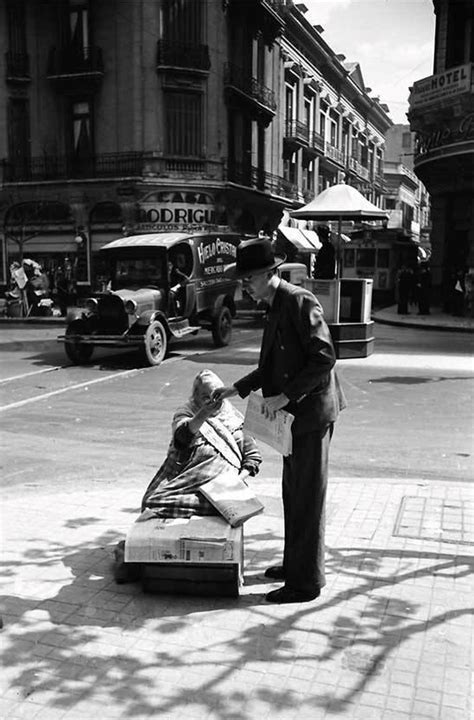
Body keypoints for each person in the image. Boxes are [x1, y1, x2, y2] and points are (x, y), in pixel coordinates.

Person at [213, 237, 346, 604]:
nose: (245, 286)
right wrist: (234, 390)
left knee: (307, 497)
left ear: (270, 273)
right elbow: (270, 366)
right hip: (292, 419)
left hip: (312, 416)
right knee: (293, 493)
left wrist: (286, 396)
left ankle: (306, 583)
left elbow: (324, 358)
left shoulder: (299, 300)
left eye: (250, 279)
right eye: (243, 280)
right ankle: (294, 565)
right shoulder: (273, 305)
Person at [140, 369, 262, 519]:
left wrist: (236, 481)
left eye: (217, 396)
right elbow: (181, 438)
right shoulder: (186, 413)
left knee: (223, 508)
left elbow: (252, 459)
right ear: (195, 397)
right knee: (152, 502)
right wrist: (203, 413)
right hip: (185, 480)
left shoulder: (235, 420)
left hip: (221, 485)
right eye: (206, 397)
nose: (213, 401)